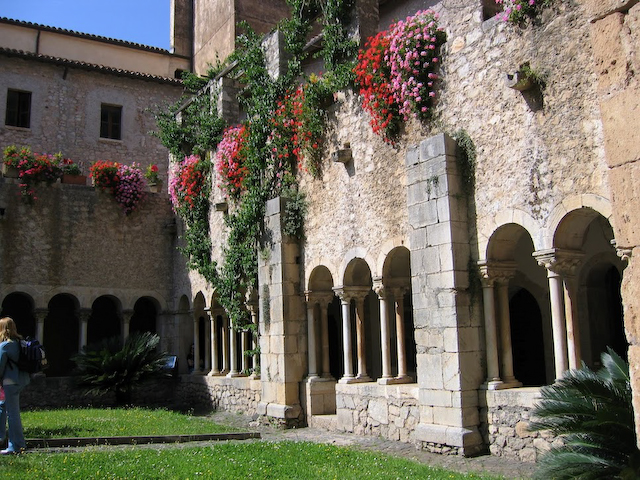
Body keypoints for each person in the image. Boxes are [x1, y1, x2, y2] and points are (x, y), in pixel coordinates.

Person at [0, 317, 30, 454]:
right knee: (4, 407)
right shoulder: (19, 342)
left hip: (9, 382)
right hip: (21, 380)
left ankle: (16, 446)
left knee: (12, 414)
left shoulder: (5, 345)